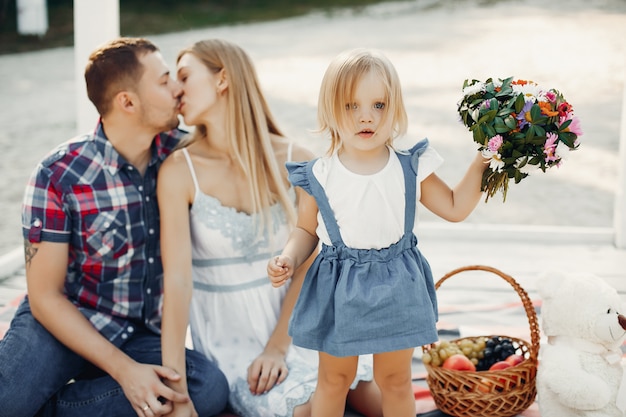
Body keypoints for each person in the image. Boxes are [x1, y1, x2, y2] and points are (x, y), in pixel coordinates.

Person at [0, 37, 229, 417]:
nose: (178, 89)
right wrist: (125, 374)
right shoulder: (59, 173)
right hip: (63, 326)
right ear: (127, 102)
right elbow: (45, 297)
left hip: (139, 335)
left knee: (205, 389)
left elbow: (248, 149)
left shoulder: (184, 156)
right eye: (164, 80)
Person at [158, 39, 384, 417]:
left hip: (300, 323)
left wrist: (280, 345)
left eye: (184, 76)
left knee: (381, 399)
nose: (176, 90)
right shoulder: (179, 171)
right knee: (311, 408)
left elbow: (315, 259)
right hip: (234, 340)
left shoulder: (298, 160)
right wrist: (176, 393)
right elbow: (177, 284)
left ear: (223, 79)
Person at [266, 48, 489, 417]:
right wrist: (289, 257)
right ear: (330, 110)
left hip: (396, 281)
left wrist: (482, 163)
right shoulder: (319, 174)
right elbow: (307, 229)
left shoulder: (409, 165)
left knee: (396, 380)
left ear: (395, 108)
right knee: (335, 380)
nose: (366, 117)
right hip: (339, 285)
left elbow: (454, 207)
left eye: (379, 105)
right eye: (351, 106)